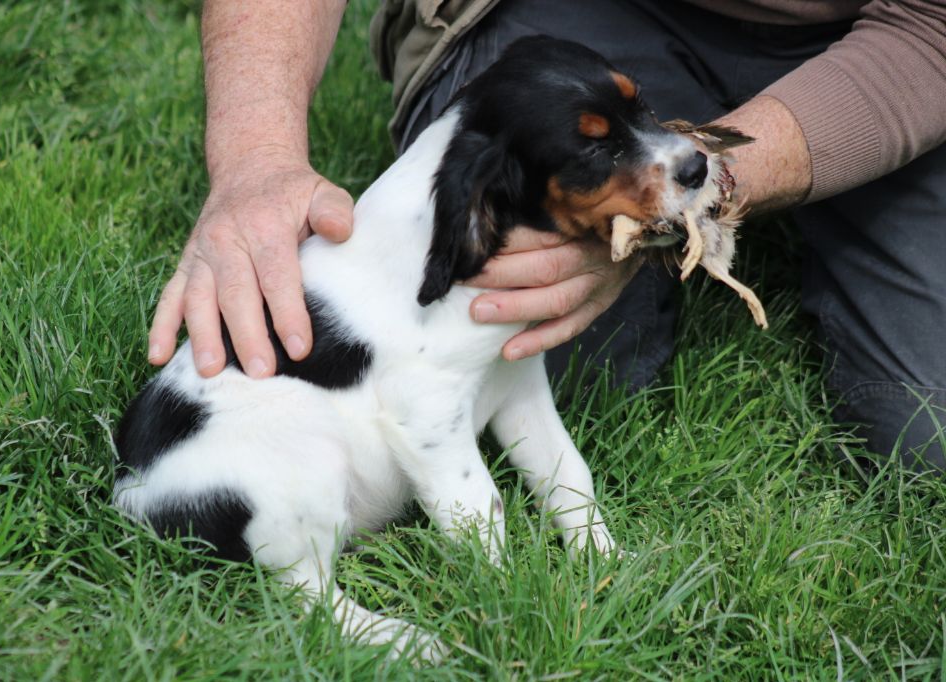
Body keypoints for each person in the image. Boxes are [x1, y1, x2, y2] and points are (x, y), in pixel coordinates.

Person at [146, 0, 946, 471]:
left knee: (923, 429)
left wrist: (703, 189)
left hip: (889, 33)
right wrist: (255, 156)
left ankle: (825, 188)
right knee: (534, 343)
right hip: (562, 14)